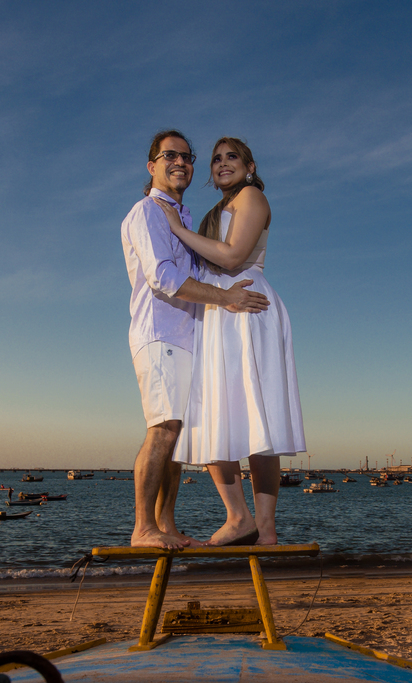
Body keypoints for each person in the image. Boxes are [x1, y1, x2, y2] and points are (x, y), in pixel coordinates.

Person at [121, 130, 271, 550]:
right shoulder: (148, 211)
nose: (181, 162)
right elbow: (162, 278)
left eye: (187, 157)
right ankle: (142, 528)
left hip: (189, 337)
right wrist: (225, 299)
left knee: (179, 436)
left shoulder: (184, 219)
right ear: (152, 166)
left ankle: (164, 524)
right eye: (170, 155)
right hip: (161, 333)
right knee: (163, 429)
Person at [152, 137, 305, 546]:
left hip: (247, 308)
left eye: (231, 157)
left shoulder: (252, 197)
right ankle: (239, 517)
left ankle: (265, 526)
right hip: (221, 310)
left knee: (256, 413)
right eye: (216, 159)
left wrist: (177, 230)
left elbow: (234, 255)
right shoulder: (219, 209)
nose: (221, 164)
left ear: (250, 166)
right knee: (216, 410)